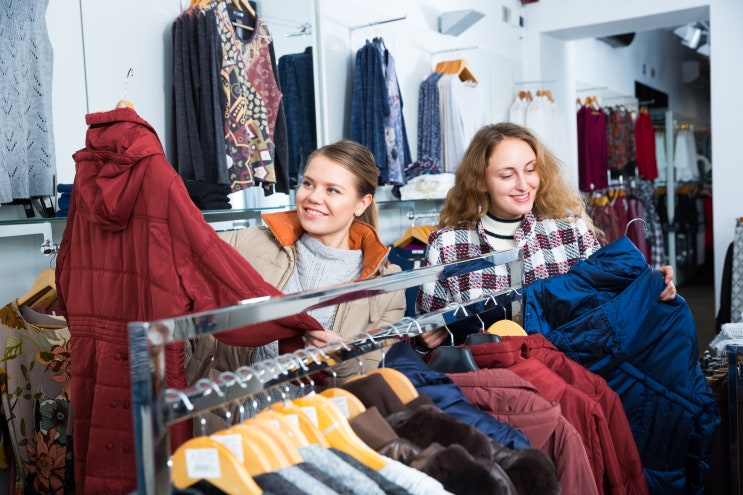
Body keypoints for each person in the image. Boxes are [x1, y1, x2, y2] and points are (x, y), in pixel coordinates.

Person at [415, 122, 676, 350]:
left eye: (530, 170)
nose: (523, 184)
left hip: (571, 381)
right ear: (480, 181)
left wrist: (651, 287)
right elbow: (428, 330)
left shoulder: (570, 231)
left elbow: (610, 302)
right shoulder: (446, 245)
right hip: (487, 391)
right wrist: (422, 341)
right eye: (507, 175)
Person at [194, 139, 406, 387]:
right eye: (308, 183)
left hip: (316, 422)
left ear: (362, 204)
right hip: (234, 420)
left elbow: (370, 381)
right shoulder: (244, 243)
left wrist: (342, 359)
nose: (313, 197)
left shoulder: (388, 286)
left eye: (332, 190)